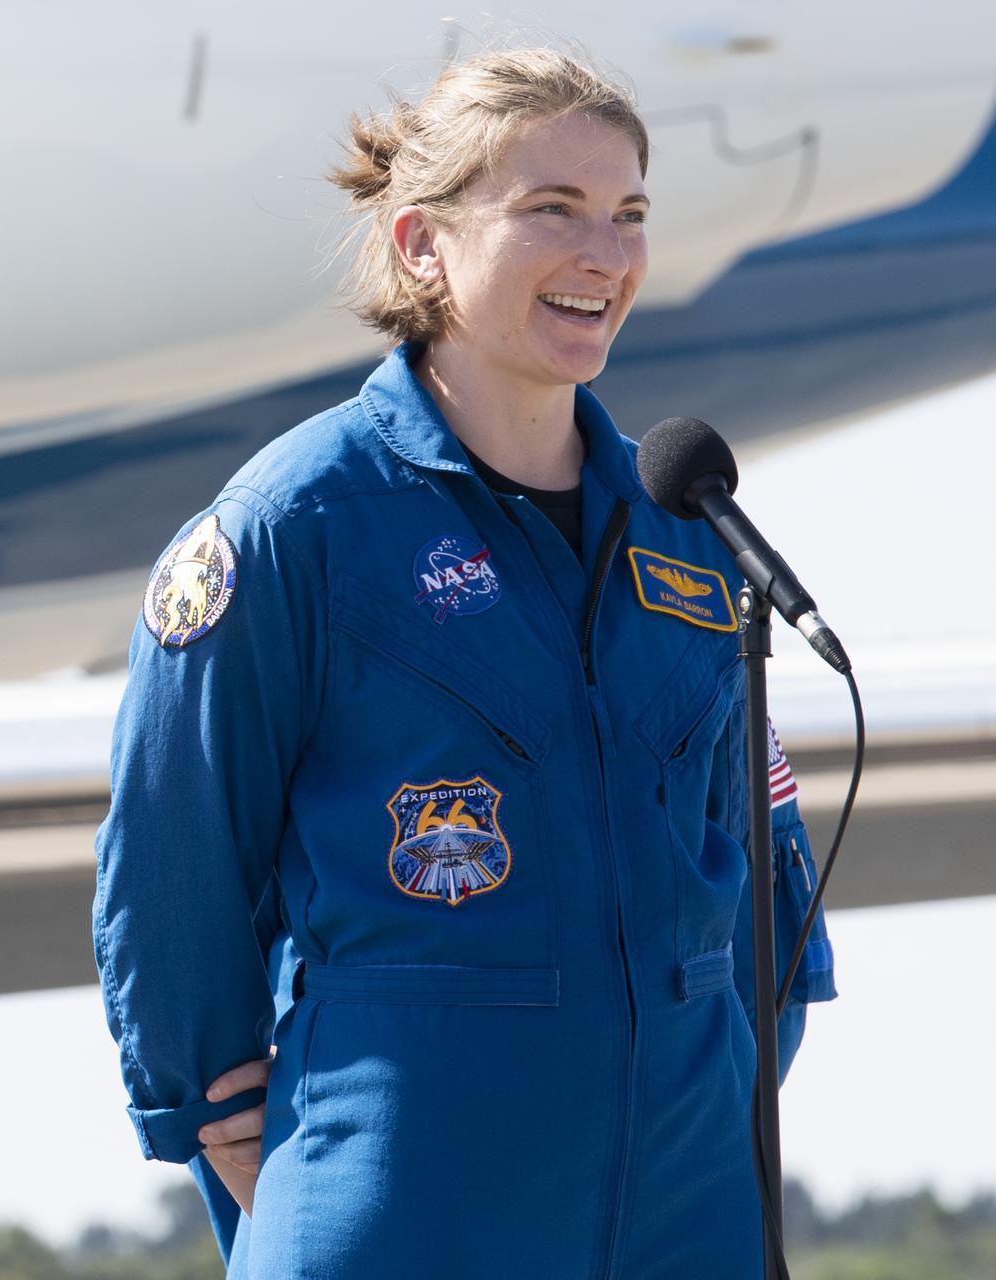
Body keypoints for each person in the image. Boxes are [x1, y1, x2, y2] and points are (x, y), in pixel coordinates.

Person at [94, 48, 836, 1278]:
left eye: (629, 214)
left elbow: (765, 891)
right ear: (422, 243)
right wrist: (232, 1128)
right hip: (406, 1205)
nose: (606, 253)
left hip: (688, 1212)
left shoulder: (690, 532)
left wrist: (684, 1100)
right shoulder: (296, 527)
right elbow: (171, 868)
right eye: (553, 210)